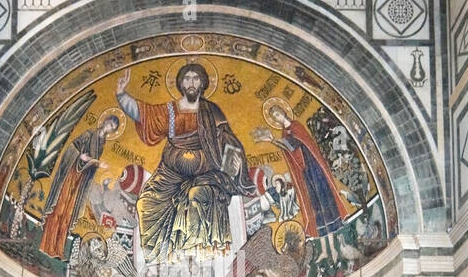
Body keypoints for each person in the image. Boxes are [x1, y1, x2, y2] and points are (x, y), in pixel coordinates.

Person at [116, 62, 251, 261]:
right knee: (145, 202)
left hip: (206, 173)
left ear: (203, 83)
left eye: (195, 79)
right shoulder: (170, 111)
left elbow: (225, 139)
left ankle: (199, 253)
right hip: (170, 174)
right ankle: (161, 258)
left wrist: (235, 164)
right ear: (180, 83)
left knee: (197, 196)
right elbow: (145, 115)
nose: (191, 83)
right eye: (187, 78)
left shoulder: (211, 111)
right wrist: (122, 95)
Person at [252, 99, 353, 242]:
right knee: (313, 197)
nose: (277, 117)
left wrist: (275, 141)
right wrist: (273, 140)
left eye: (277, 114)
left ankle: (337, 220)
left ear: (283, 112)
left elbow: (299, 142)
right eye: (274, 117)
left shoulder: (295, 126)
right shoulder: (284, 134)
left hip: (313, 164)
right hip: (303, 169)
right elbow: (289, 149)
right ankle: (324, 227)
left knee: (323, 192)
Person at [40, 114, 120, 259]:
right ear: (105, 121)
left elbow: (90, 163)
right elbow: (78, 153)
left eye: (112, 129)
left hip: (81, 180)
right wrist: (95, 162)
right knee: (60, 208)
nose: (109, 129)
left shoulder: (102, 143)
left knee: (68, 213)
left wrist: (95, 164)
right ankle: (47, 245)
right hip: (71, 174)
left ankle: (58, 249)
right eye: (109, 125)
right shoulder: (89, 134)